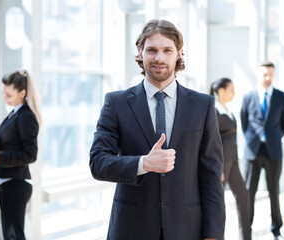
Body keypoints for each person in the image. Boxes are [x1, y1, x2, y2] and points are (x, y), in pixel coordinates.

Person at [90, 19, 225, 240]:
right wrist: (143, 163)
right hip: (131, 229)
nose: (159, 58)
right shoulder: (116, 103)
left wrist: (213, 234)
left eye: (167, 50)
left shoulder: (203, 106)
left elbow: (211, 175)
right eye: (151, 50)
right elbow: (98, 162)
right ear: (140, 51)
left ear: (179, 53)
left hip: (187, 229)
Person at [0, 70, 41, 240]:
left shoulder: (26, 117)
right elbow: (11, 145)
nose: (4, 98)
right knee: (10, 235)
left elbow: (30, 155)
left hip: (16, 184)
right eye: (3, 93)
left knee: (14, 235)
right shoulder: (14, 114)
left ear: (22, 93)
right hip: (7, 183)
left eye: (9, 94)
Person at [240, 61, 284, 240]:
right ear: (258, 75)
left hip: (274, 151)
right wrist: (254, 139)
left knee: (274, 190)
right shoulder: (248, 97)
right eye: (265, 74)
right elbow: (244, 121)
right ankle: (247, 230)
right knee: (249, 192)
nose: (268, 78)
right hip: (253, 152)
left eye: (271, 74)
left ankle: (276, 229)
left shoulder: (282, 97)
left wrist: (273, 138)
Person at [210, 78, 251, 240]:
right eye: (231, 90)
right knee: (217, 202)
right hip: (221, 163)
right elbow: (212, 141)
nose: (234, 93)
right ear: (221, 91)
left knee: (243, 196)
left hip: (232, 161)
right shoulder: (213, 111)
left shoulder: (227, 110)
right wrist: (217, 166)